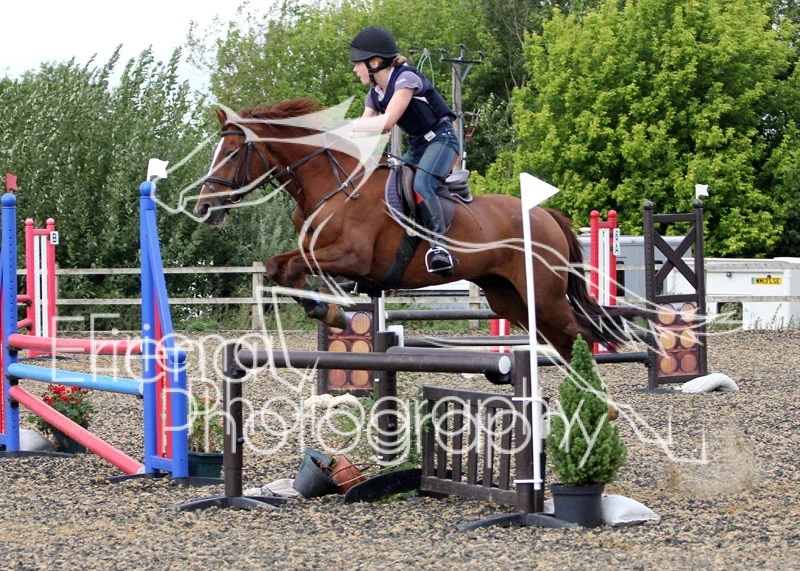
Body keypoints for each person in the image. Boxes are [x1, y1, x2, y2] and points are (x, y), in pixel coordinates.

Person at [348, 26, 459, 275]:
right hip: (418, 146)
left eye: (357, 64)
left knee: (421, 184)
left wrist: (347, 126)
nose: (355, 69)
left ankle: (440, 249)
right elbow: (363, 130)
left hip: (442, 141)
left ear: (374, 62)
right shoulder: (374, 94)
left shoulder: (406, 79)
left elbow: (387, 122)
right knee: (389, 187)